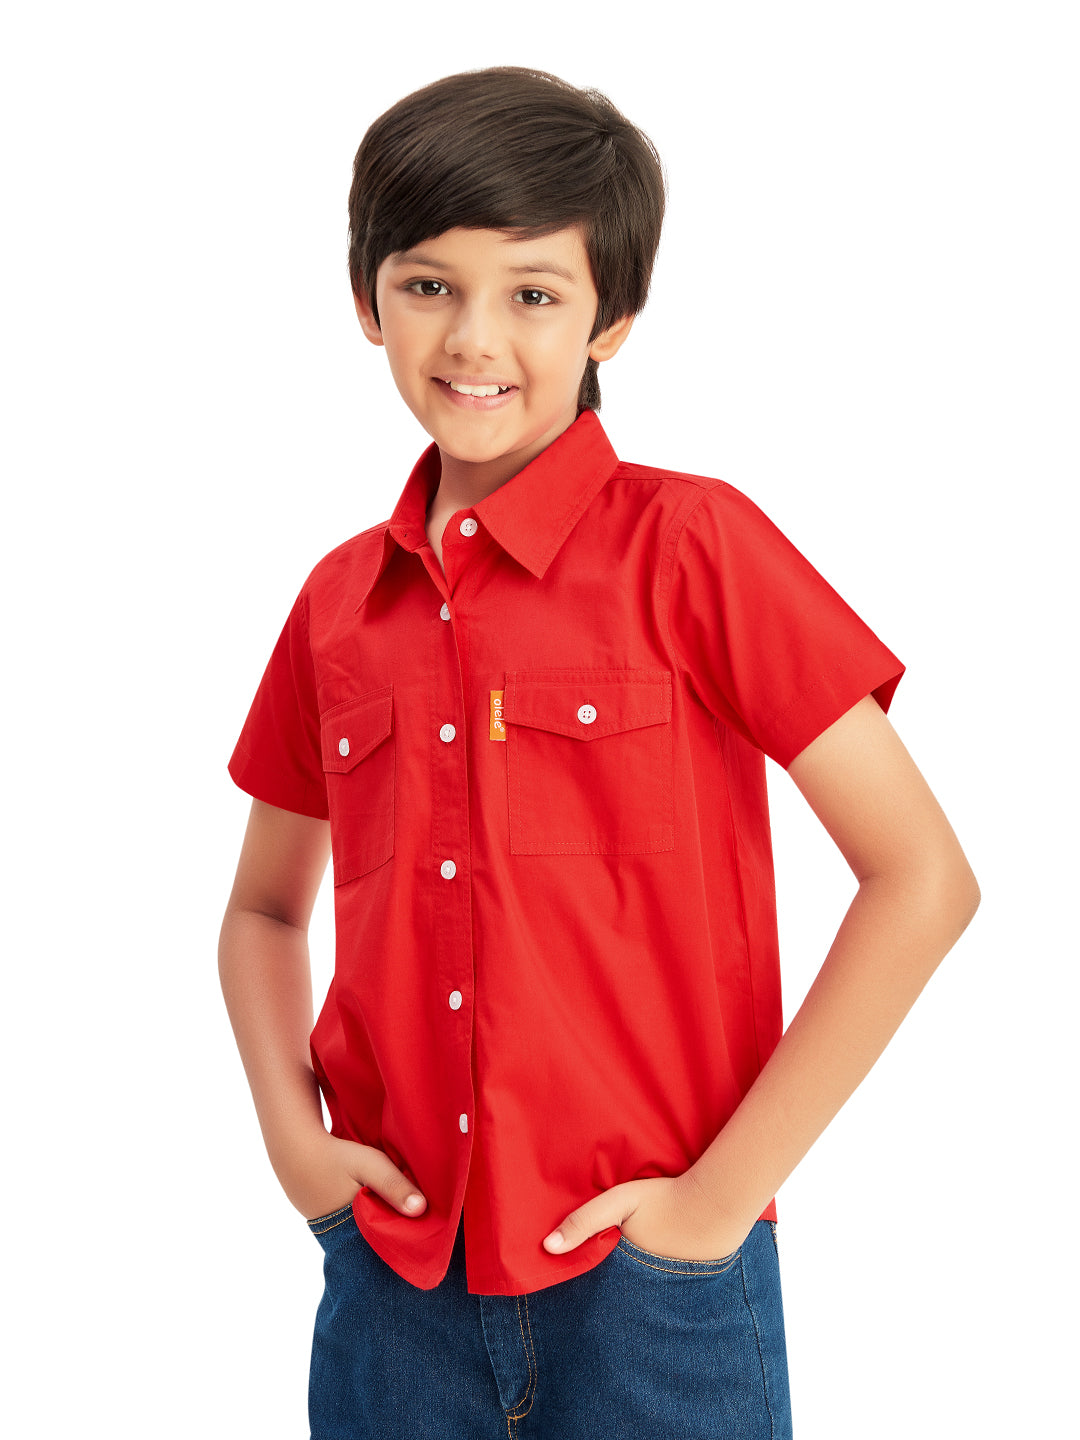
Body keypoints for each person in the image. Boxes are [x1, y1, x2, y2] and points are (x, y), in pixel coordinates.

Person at [219, 66, 979, 1439]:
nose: (476, 338)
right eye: (429, 285)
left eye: (534, 292)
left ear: (611, 318)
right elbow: (266, 910)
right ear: (366, 300)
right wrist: (295, 1144)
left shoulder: (695, 546)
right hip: (395, 1287)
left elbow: (923, 878)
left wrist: (713, 1207)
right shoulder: (338, 603)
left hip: (654, 1293)